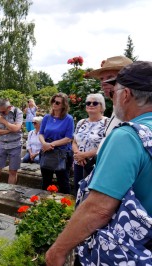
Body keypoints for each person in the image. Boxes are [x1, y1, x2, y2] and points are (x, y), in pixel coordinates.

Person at [46, 61, 152, 265]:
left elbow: (99, 209)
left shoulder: (128, 136)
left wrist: (57, 252)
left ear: (126, 94)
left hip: (129, 252)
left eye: (115, 91)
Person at [87, 56, 132, 144]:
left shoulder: (133, 110)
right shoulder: (117, 107)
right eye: (101, 79)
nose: (103, 83)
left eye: (110, 77)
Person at [39, 93, 74, 194]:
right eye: (53, 101)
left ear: (64, 105)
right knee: (46, 181)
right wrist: (44, 144)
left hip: (62, 154)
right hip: (47, 152)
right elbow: (41, 133)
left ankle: (65, 205)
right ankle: (44, 203)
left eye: (57, 102)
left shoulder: (68, 119)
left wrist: (51, 144)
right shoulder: (47, 117)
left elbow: (68, 138)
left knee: (63, 182)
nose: (54, 104)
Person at [72, 93, 108, 192]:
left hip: (94, 164)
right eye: (88, 103)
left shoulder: (107, 123)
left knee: (91, 192)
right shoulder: (81, 122)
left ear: (102, 107)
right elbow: (74, 141)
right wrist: (77, 154)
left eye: (95, 103)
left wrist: (84, 155)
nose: (91, 105)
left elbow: (105, 145)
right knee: (78, 191)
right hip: (78, 162)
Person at [0, 98, 23, 184]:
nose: (1, 113)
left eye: (3, 112)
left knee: (12, 171)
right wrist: (9, 130)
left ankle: (10, 191)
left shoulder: (17, 112)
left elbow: (16, 128)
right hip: (1, 145)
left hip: (15, 145)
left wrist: (4, 122)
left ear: (9, 107)